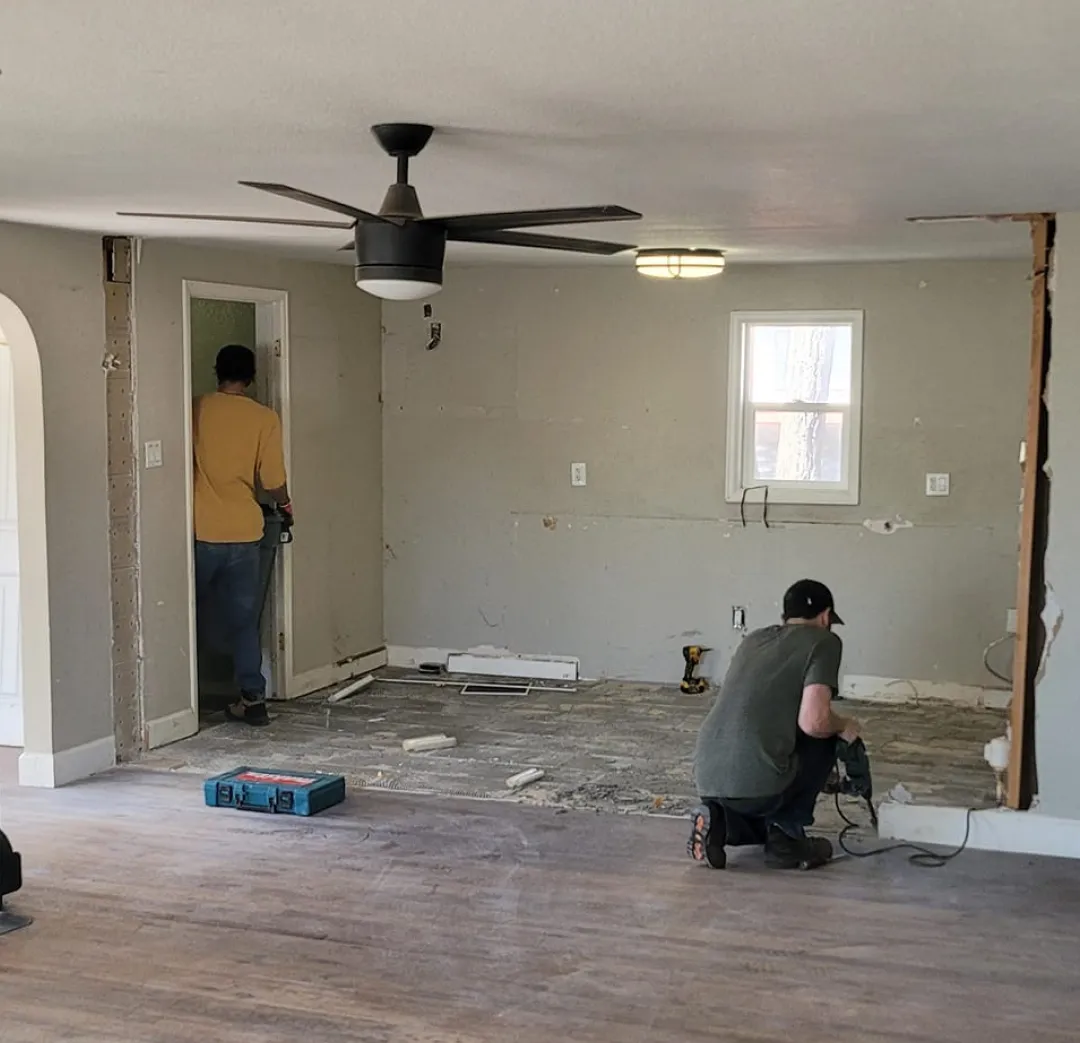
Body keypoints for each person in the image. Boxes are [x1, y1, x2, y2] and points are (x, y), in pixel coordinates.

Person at [688, 579, 858, 871]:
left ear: (785, 616)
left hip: (708, 776)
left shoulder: (753, 640)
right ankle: (786, 837)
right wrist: (845, 726)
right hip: (758, 783)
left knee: (758, 802)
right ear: (825, 617)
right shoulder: (824, 642)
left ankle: (721, 823)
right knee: (826, 732)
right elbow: (815, 721)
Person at [192, 344, 291, 727]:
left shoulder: (196, 408)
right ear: (251, 377)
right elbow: (273, 479)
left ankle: (182, 700)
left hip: (200, 530)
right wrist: (285, 503)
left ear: (217, 370)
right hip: (245, 532)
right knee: (243, 621)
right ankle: (253, 699)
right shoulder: (264, 418)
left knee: (186, 615)